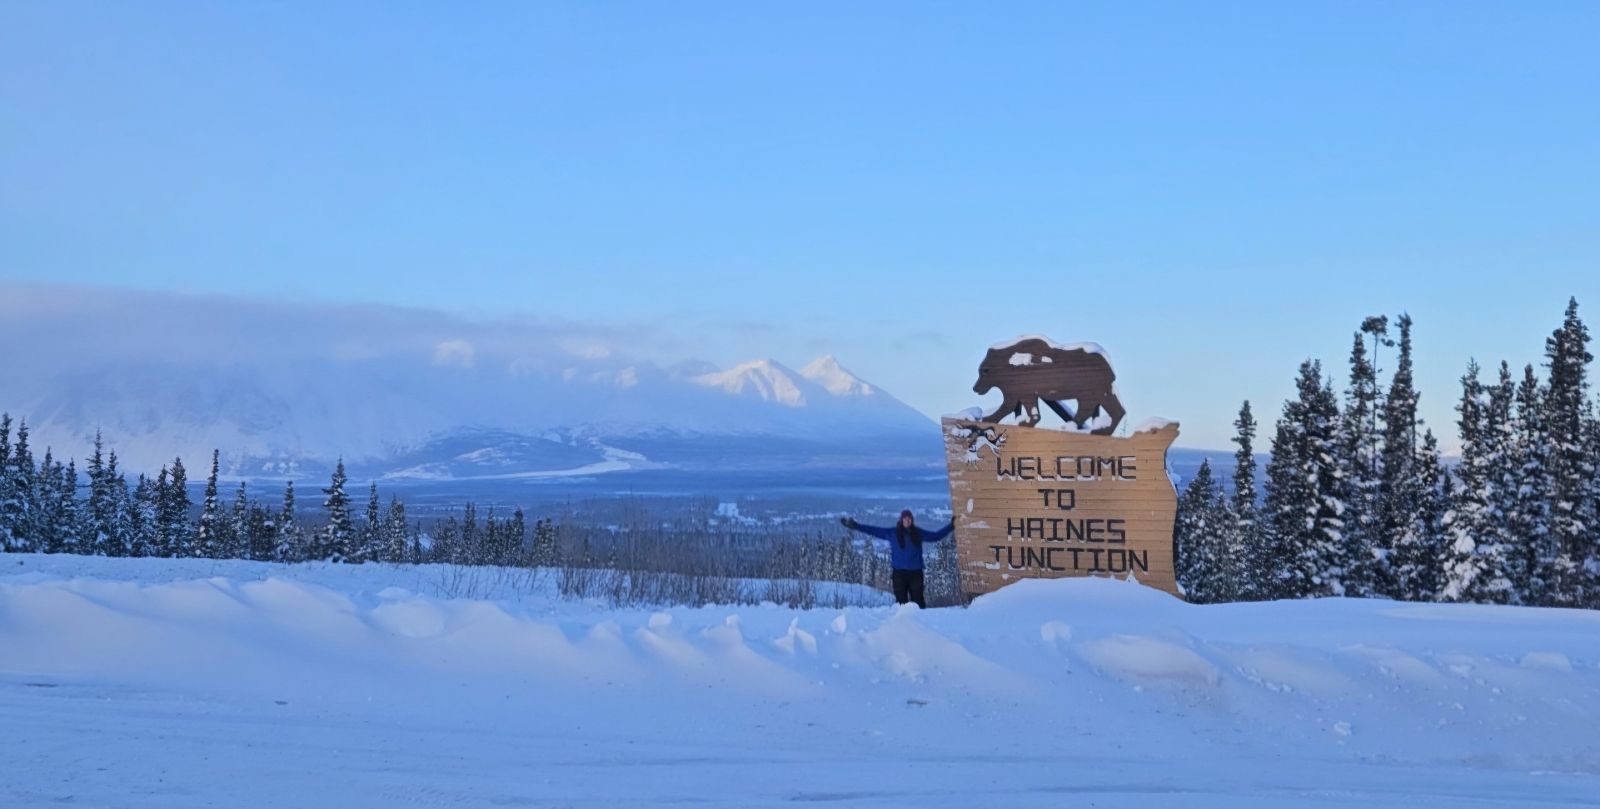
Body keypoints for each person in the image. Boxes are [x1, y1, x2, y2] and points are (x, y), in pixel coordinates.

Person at [839, 509, 954, 608]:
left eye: (909, 519)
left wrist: (951, 526)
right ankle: (902, 628)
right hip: (899, 574)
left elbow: (936, 536)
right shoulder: (892, 533)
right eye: (905, 518)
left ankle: (921, 627)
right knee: (901, 603)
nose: (907, 521)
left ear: (912, 520)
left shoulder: (918, 533)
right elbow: (873, 530)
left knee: (918, 602)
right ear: (901, 520)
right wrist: (856, 526)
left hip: (915, 573)